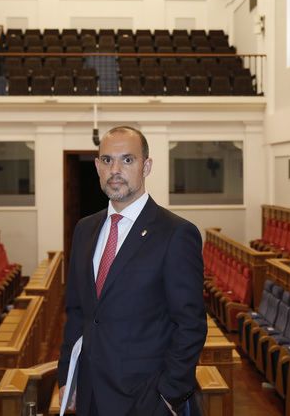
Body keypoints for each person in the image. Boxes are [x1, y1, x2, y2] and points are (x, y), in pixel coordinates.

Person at [58, 126, 207, 416]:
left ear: (146, 166)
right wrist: (68, 376)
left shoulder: (176, 233)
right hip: (89, 393)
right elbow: (77, 312)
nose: (115, 170)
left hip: (146, 398)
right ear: (98, 166)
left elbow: (190, 325)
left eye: (127, 160)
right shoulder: (84, 229)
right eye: (106, 160)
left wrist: (167, 396)